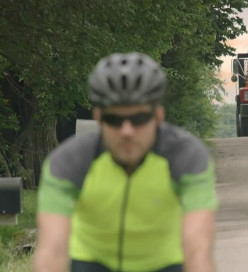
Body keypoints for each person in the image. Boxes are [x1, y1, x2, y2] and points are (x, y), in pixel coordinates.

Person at [34, 52, 218, 272]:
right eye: (115, 120)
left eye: (139, 119)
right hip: (92, 263)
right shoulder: (69, 162)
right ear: (99, 119)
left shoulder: (186, 156)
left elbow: (197, 247)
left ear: (158, 117)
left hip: (163, 265)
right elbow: (52, 250)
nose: (127, 131)